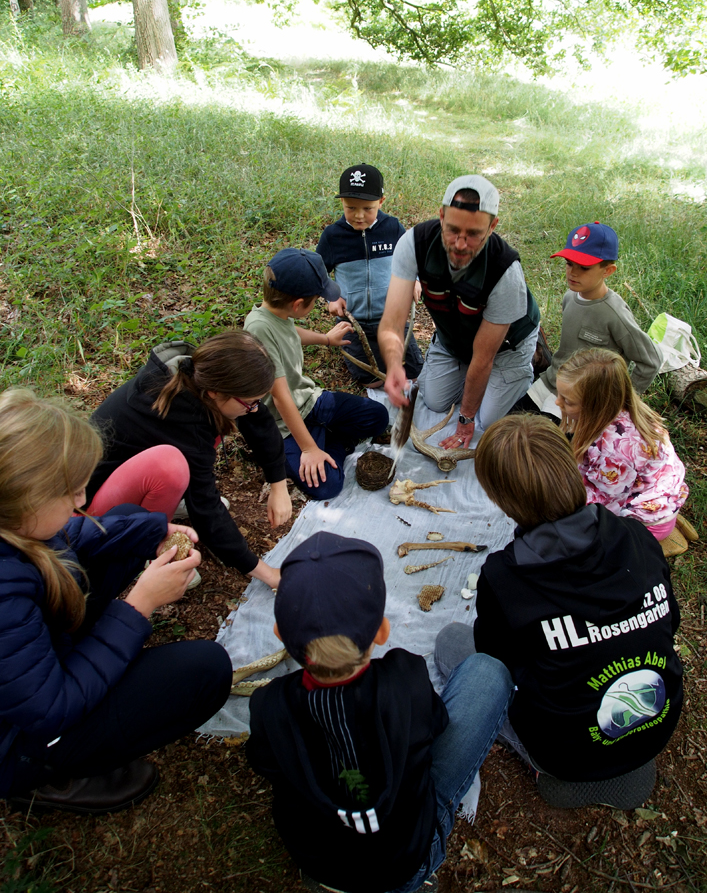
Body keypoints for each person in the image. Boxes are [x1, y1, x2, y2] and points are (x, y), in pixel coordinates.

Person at [0, 388, 232, 814]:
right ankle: (44, 777)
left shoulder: (19, 526)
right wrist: (137, 607)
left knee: (121, 533)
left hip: (37, 666)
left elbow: (76, 535)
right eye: (69, 493)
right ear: (26, 499)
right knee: (206, 670)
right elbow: (52, 707)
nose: (81, 502)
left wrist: (155, 532)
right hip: (22, 736)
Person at [436, 414, 683, 810]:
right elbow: (670, 623)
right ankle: (612, 756)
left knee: (452, 645)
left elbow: (496, 663)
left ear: (502, 500)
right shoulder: (637, 535)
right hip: (658, 719)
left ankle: (546, 765)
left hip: (566, 748)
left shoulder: (505, 576)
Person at [246, 531, 514, 893]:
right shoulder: (406, 681)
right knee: (487, 672)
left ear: (280, 633)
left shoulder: (268, 706)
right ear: (383, 631)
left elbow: (265, 763)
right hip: (405, 860)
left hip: (320, 861)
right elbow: (437, 725)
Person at [87, 330, 286, 589]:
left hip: (124, 475)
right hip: (92, 511)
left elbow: (258, 418)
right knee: (171, 469)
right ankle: (148, 545)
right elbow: (206, 507)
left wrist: (278, 483)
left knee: (177, 465)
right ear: (216, 392)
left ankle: (161, 498)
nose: (254, 408)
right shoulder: (185, 424)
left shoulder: (196, 374)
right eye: (249, 402)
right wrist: (264, 572)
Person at [378, 174, 539, 449]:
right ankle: (462, 370)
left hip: (505, 347)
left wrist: (465, 419)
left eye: (474, 234)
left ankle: (524, 368)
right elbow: (392, 324)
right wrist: (394, 365)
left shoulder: (505, 271)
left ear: (492, 226)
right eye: (452, 230)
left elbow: (484, 357)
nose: (460, 244)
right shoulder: (414, 244)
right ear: (441, 216)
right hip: (454, 337)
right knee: (434, 401)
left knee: (488, 420)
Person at [244, 249, 390, 500]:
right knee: (327, 486)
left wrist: (326, 339)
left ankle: (324, 435)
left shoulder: (275, 313)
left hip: (308, 401)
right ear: (298, 304)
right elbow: (280, 398)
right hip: (282, 424)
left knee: (378, 416)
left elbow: (290, 332)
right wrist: (309, 448)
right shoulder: (258, 328)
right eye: (316, 300)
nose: (320, 303)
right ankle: (328, 442)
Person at [525, 222, 661, 415]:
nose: (573, 272)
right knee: (508, 425)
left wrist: (622, 403)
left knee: (539, 442)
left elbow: (652, 360)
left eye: (584, 267)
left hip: (582, 398)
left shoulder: (614, 313)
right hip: (551, 381)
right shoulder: (570, 297)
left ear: (608, 271)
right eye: (569, 264)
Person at [555, 348, 688, 541]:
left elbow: (605, 508)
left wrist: (558, 498)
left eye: (567, 401)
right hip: (638, 491)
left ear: (597, 405)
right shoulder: (618, 410)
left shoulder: (615, 451)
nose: (557, 402)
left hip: (644, 523)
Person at [316, 162, 423, 387]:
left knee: (414, 373)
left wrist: (414, 280)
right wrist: (332, 297)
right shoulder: (332, 236)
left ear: (381, 202)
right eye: (351, 207)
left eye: (368, 208)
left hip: (392, 318)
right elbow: (319, 275)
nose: (359, 215)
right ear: (342, 203)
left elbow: (412, 259)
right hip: (354, 322)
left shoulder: (392, 228)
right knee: (370, 379)